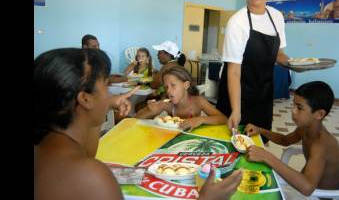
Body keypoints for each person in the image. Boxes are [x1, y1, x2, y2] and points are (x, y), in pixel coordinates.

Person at [34, 48, 242, 200]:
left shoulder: (45, 149)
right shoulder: (91, 177)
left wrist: (105, 105)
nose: (111, 94)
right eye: (106, 86)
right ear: (85, 100)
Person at [216, 0, 290, 144]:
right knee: (234, 143)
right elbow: (233, 72)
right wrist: (236, 110)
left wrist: (295, 64)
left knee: (259, 142)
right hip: (237, 92)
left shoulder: (277, 17)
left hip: (263, 92)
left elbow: (278, 53)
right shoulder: (237, 22)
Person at [244, 81, 339, 198]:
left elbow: (307, 188)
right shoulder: (305, 129)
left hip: (317, 196)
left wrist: (267, 157)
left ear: (320, 114)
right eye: (294, 105)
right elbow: (284, 140)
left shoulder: (320, 144)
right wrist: (260, 130)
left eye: (299, 108)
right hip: (306, 185)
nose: (293, 111)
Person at [136, 66, 227, 131]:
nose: (168, 91)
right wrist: (149, 109)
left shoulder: (198, 101)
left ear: (186, 85)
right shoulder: (167, 104)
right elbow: (135, 119)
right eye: (166, 87)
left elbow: (223, 118)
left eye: (173, 85)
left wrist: (200, 120)